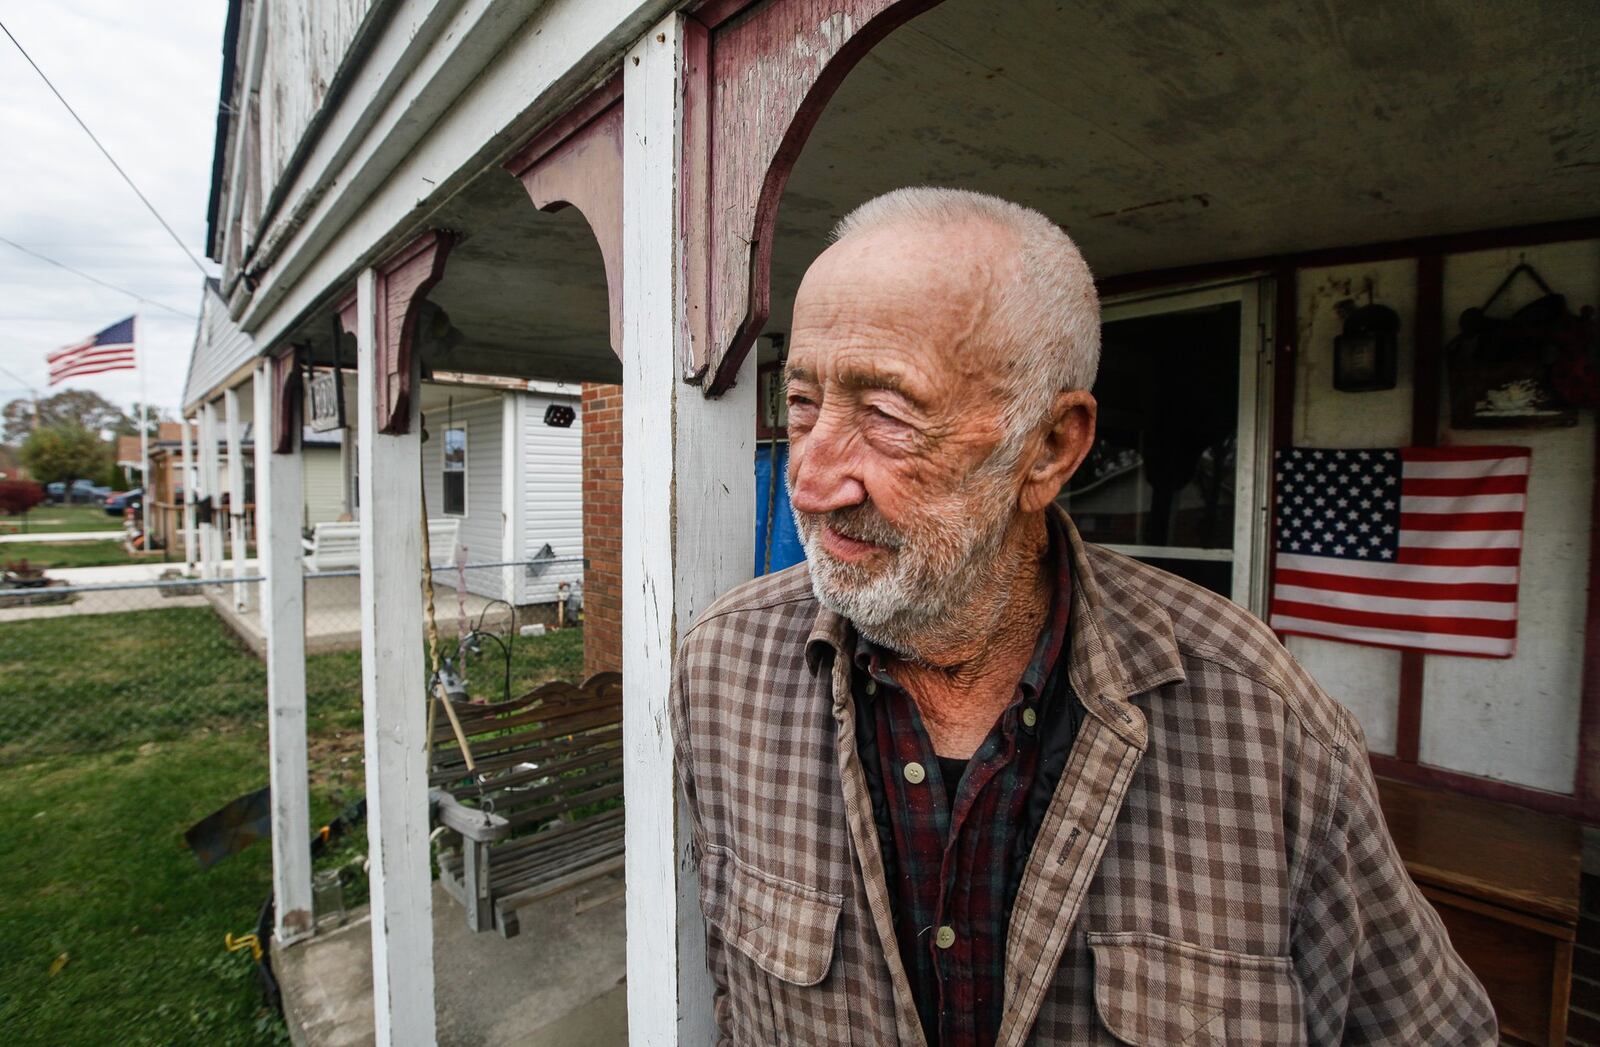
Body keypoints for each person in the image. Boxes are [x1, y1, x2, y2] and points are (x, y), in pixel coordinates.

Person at [670, 187, 1496, 1045]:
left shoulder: (1265, 724)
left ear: (1051, 446)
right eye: (802, 405)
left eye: (886, 413)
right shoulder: (722, 673)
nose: (809, 479)